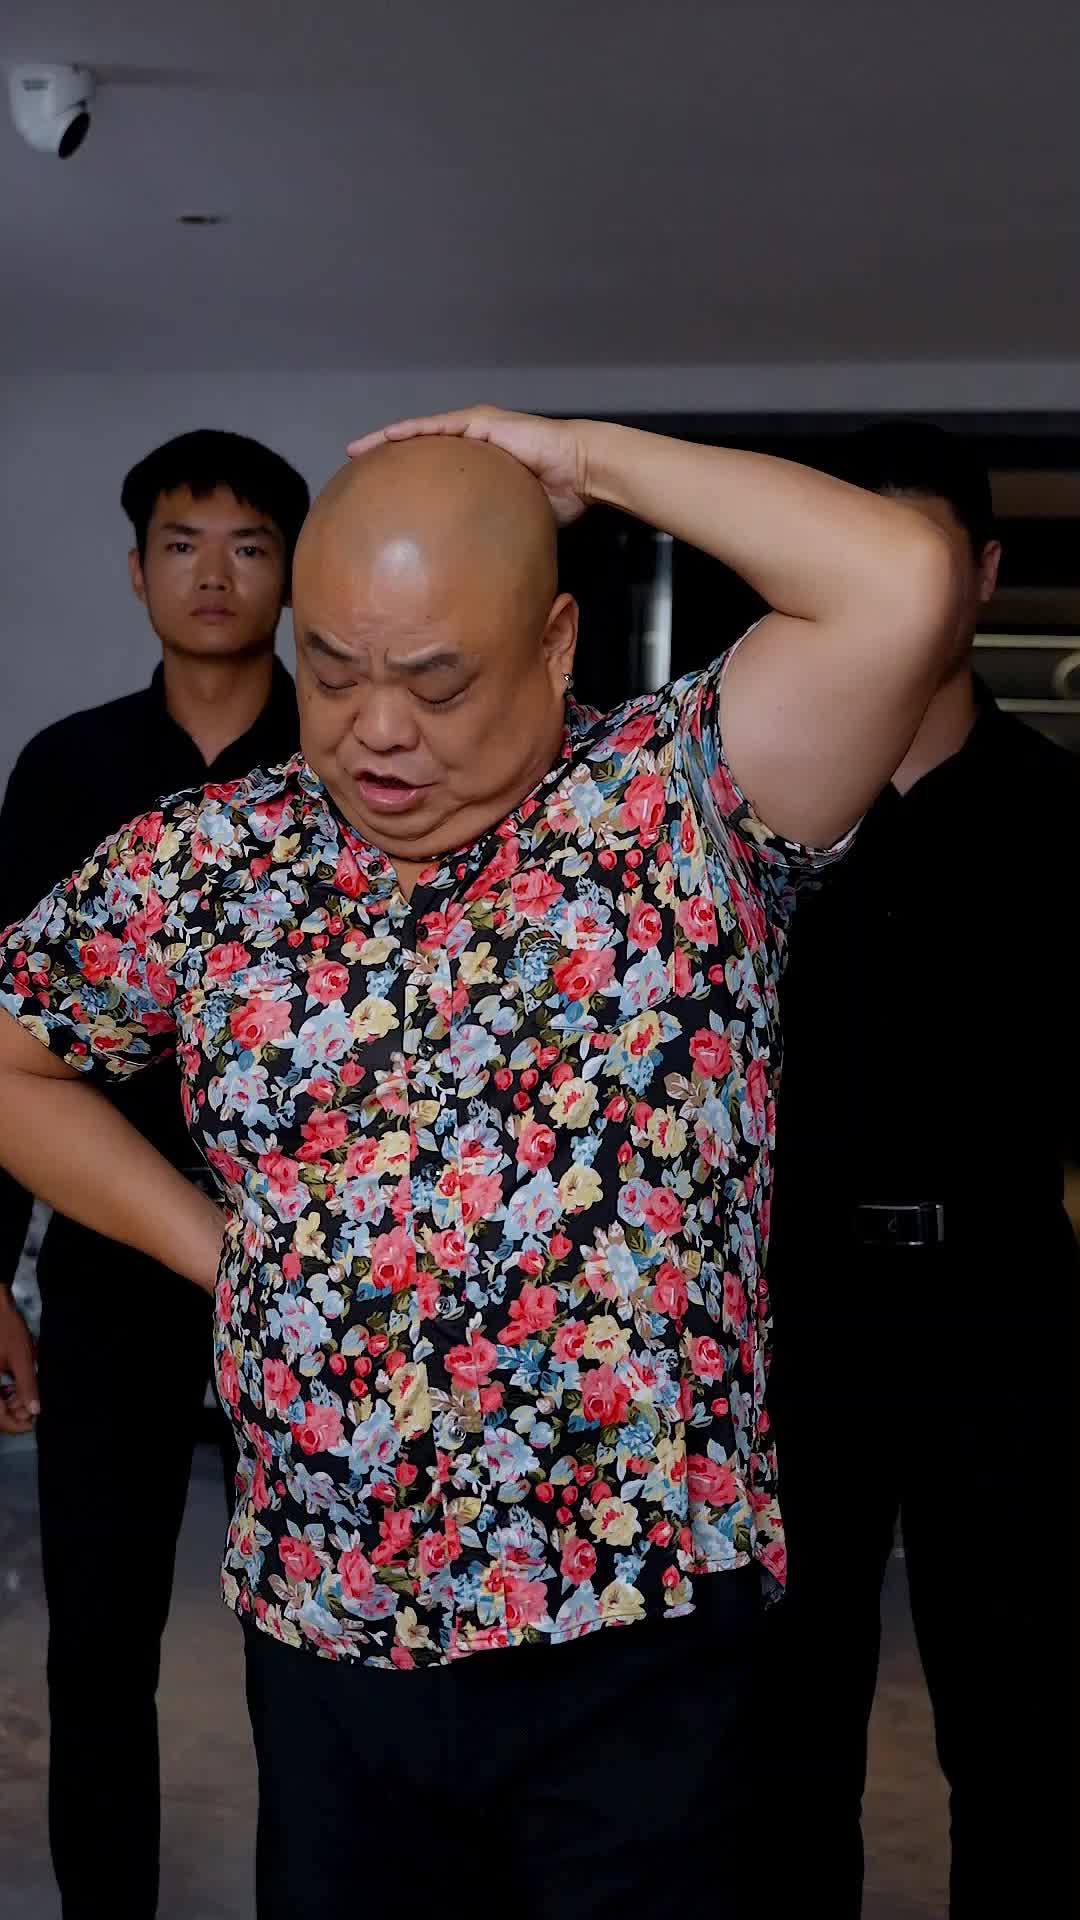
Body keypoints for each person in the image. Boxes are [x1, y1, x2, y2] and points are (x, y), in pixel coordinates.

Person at [0, 406, 961, 1919]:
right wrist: (221, 1249)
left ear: (557, 644)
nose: (378, 729)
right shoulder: (209, 860)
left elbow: (902, 580)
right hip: (329, 1619)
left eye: (437, 681)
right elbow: (13, 1058)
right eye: (333, 671)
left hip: (636, 1624)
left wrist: (583, 459)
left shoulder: (681, 803)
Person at [765, 421, 1079, 1917]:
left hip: (1005, 1315)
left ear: (986, 575)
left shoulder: (1063, 813)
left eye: (923, 558)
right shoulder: (756, 822)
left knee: (1021, 1736)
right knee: (783, 1741)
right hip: (790, 1317)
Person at [0, 428, 308, 1920]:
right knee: (98, 1640)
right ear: (137, 572)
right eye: (183, 545)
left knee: (312, 1641)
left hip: (309, 1268)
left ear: (293, 574)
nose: (214, 575)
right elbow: (8, 1040)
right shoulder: (68, 769)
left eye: (248, 545)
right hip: (114, 1258)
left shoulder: (348, 760)